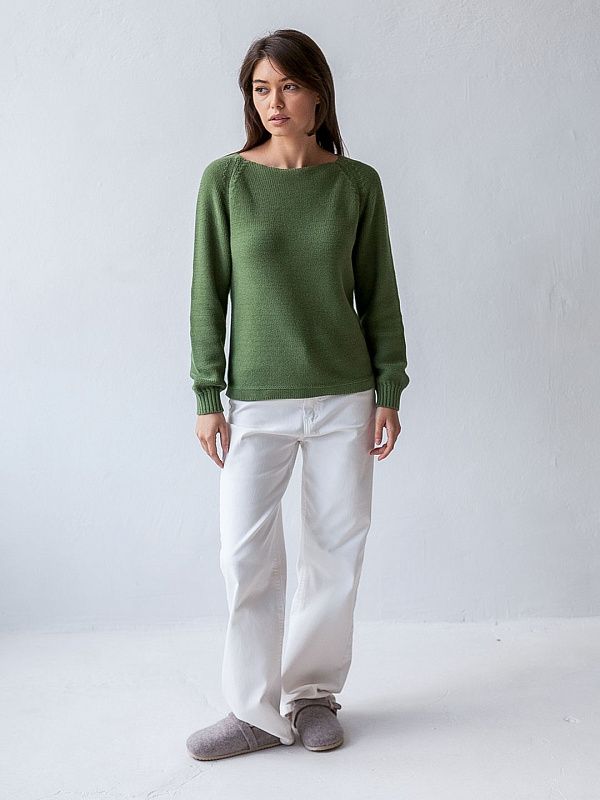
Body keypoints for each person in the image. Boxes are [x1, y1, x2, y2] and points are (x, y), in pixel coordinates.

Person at [185, 28, 410, 761]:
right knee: (244, 556)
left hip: (346, 396)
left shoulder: (356, 184)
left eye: (288, 86)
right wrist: (207, 395)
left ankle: (312, 695)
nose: (273, 102)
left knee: (334, 553)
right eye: (261, 88)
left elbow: (379, 293)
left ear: (318, 93)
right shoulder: (226, 182)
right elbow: (207, 295)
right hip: (256, 400)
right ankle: (254, 712)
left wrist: (389, 386)